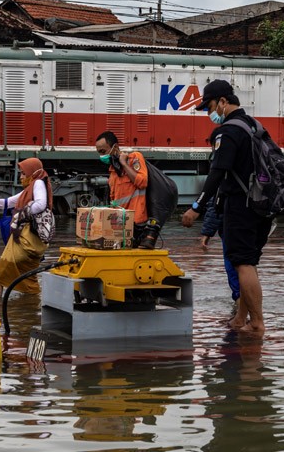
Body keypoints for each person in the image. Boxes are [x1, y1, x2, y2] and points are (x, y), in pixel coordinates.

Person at [181, 79, 274, 335]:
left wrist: (197, 206)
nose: (209, 113)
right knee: (245, 262)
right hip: (260, 205)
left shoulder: (227, 131)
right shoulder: (254, 125)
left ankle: (256, 323)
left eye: (210, 106)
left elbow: (218, 172)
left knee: (243, 264)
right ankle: (240, 318)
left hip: (240, 206)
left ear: (223, 102)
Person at [0, 158, 53, 299]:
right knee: (29, 282)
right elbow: (9, 202)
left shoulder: (37, 183)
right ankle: (31, 314)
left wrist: (22, 213)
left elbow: (41, 204)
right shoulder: (30, 189)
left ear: (33, 172)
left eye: (24, 173)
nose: (21, 177)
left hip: (25, 241)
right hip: (36, 243)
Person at [94, 131, 159, 249]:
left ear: (116, 147)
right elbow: (114, 201)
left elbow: (142, 182)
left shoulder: (134, 158)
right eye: (99, 153)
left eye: (103, 152)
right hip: (121, 226)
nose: (102, 156)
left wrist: (123, 163)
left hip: (137, 224)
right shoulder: (113, 171)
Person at [199, 198, 245, 327]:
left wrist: (207, 232)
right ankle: (253, 316)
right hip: (254, 224)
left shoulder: (225, 179)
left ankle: (240, 311)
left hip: (231, 225)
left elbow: (216, 202)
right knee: (249, 266)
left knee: (233, 267)